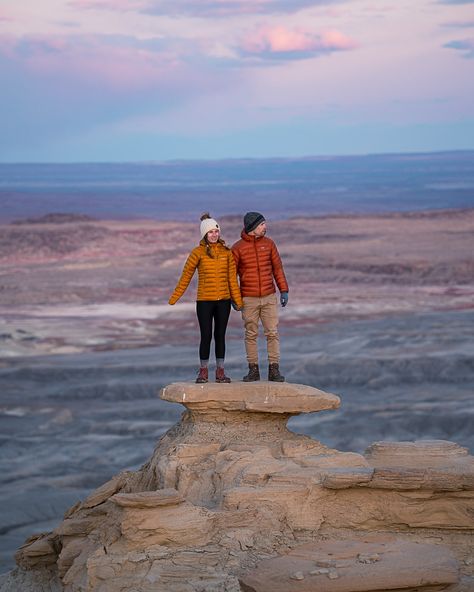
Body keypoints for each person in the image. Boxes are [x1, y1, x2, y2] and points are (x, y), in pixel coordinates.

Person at [169, 213, 243, 384]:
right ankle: (203, 372)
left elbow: (233, 279)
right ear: (204, 234)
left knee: (220, 335)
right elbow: (186, 276)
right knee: (206, 335)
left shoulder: (227, 253)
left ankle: (220, 372)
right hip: (204, 301)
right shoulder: (198, 253)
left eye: (216, 231)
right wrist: (175, 297)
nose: (214, 235)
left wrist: (238, 301)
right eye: (210, 232)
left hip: (223, 301)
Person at [232, 211, 289, 382]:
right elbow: (231, 275)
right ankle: (253, 370)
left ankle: (274, 370)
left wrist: (283, 290)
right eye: (262, 224)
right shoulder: (237, 248)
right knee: (251, 334)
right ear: (252, 227)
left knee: (272, 333)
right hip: (248, 299)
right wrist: (234, 297)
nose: (265, 227)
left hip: (269, 296)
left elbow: (277, 269)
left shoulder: (270, 244)